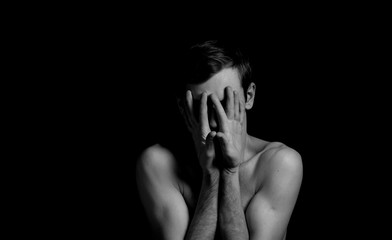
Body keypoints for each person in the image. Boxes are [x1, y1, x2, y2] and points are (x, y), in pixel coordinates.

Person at [136, 40, 303, 240]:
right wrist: (212, 176)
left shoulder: (279, 163)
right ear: (183, 108)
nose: (214, 121)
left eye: (225, 102)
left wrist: (229, 172)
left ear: (249, 96)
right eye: (202, 106)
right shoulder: (158, 162)